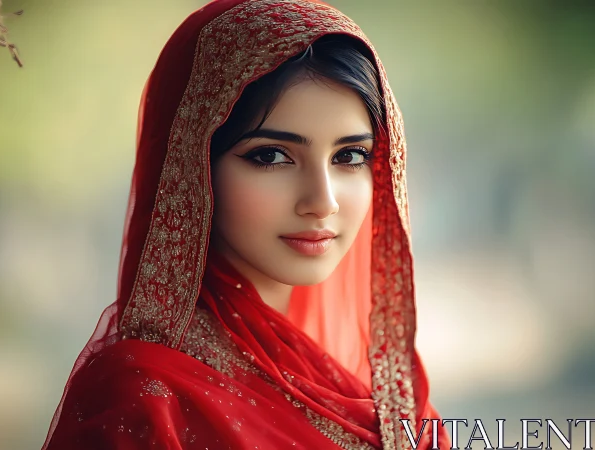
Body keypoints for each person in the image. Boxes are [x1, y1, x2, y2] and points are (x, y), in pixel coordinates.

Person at [42, 0, 449, 448]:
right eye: (271, 156)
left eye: (349, 156)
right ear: (192, 170)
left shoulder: (391, 399)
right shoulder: (147, 398)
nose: (323, 202)